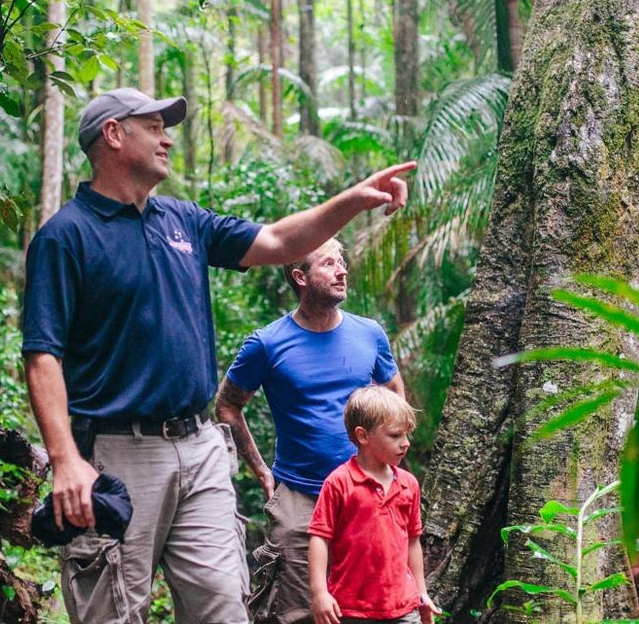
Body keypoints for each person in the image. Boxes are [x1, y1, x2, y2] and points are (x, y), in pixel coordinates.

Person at [22, 87, 415, 624]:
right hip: (117, 452)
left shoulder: (183, 221)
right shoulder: (66, 237)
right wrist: (65, 459)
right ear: (114, 134)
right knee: (113, 611)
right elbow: (42, 355)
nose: (166, 138)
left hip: (200, 446)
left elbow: (277, 241)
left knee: (225, 609)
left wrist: (354, 199)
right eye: (154, 126)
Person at [215, 237, 404, 624]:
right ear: (300, 277)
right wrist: (262, 472)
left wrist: (393, 468)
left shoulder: (369, 334)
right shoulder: (267, 344)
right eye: (329, 263)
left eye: (342, 261)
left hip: (367, 495)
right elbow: (227, 405)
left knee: (370, 608)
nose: (342, 270)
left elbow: (395, 395)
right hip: (300, 499)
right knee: (298, 612)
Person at [307, 386, 440, 624]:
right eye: (395, 435)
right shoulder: (339, 482)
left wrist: (422, 593)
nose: (406, 443)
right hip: (350, 608)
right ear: (363, 436)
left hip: (403, 607)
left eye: (407, 434)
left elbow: (412, 541)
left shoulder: (409, 484)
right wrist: (319, 593)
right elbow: (320, 538)